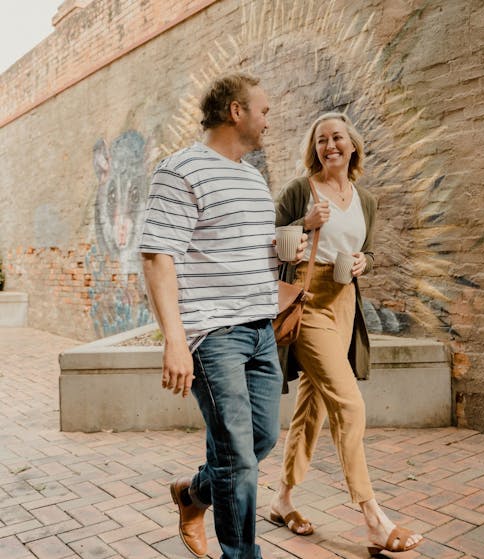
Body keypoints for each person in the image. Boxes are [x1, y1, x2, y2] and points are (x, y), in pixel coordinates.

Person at [138, 72, 306, 559]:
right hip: (214, 335)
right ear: (237, 112)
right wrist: (175, 339)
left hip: (260, 330)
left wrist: (289, 250)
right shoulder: (181, 170)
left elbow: (252, 254)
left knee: (261, 439)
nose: (267, 122)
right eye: (264, 111)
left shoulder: (253, 179)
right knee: (238, 459)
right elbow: (157, 257)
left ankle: (192, 494)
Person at [271, 112, 423, 555]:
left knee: (312, 406)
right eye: (321, 140)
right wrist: (304, 225)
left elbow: (367, 250)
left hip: (344, 302)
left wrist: (364, 263)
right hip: (308, 299)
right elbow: (269, 241)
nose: (329, 145)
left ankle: (282, 500)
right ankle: (373, 516)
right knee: (349, 403)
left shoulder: (365, 199)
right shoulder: (301, 190)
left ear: (352, 145)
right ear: (313, 148)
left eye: (337, 138)